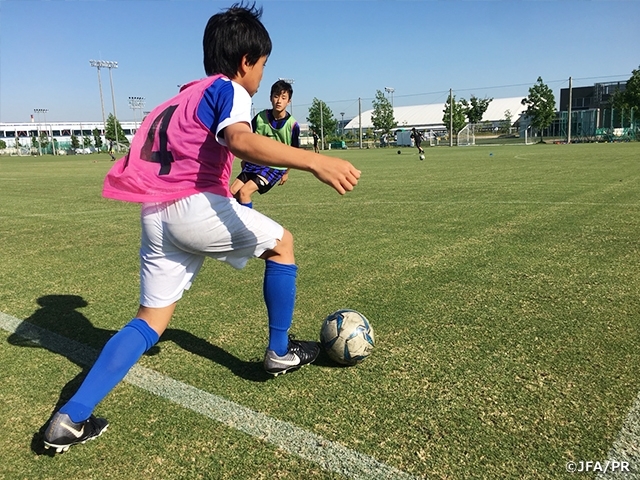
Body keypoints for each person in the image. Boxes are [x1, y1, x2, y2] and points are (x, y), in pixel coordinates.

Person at [42, 3, 360, 454]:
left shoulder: (181, 94)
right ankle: (279, 352)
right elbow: (240, 139)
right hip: (191, 207)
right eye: (262, 65)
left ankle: (69, 420)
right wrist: (315, 160)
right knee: (283, 244)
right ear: (245, 62)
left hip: (155, 213)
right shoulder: (230, 88)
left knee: (150, 321)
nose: (261, 75)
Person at [229, 79, 299, 208]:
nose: (279, 101)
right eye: (276, 96)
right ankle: (233, 224)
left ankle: (244, 227)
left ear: (289, 101)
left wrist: (286, 172)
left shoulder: (292, 125)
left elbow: (295, 151)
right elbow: (248, 138)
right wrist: (245, 158)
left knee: (244, 192)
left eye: (283, 98)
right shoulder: (260, 117)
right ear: (270, 98)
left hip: (274, 167)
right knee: (231, 192)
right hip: (255, 162)